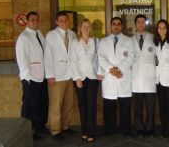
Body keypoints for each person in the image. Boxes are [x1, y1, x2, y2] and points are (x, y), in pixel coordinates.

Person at [97, 17, 135, 137]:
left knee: (125, 107)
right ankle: (109, 129)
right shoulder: (104, 41)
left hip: (123, 77)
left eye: (119, 24)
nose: (116, 26)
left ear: (122, 26)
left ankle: (126, 129)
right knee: (109, 107)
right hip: (110, 78)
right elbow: (100, 57)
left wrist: (119, 70)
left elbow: (131, 57)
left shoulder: (129, 41)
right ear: (110, 26)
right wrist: (111, 69)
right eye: (114, 24)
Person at [16, 11, 48, 140]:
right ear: (27, 21)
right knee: (29, 106)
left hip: (41, 76)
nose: (36, 22)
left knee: (41, 104)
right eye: (33, 20)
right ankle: (28, 132)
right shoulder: (23, 37)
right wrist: (27, 78)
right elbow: (22, 60)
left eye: (37, 20)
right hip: (30, 78)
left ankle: (40, 127)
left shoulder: (39, 34)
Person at [69, 18, 103, 143]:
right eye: (84, 26)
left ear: (91, 28)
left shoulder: (96, 41)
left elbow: (100, 58)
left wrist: (100, 72)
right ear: (80, 28)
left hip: (93, 77)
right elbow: (72, 60)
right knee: (82, 104)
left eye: (88, 26)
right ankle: (84, 130)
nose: (86, 28)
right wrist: (77, 78)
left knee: (92, 104)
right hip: (80, 78)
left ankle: (91, 132)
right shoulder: (74, 42)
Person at [44, 11, 76, 140]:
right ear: (57, 22)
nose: (64, 23)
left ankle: (65, 126)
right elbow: (47, 56)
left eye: (66, 20)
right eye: (61, 21)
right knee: (56, 104)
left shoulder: (73, 34)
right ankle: (55, 130)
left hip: (70, 74)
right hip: (56, 76)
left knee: (69, 103)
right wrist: (49, 75)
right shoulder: (51, 35)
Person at [131, 14, 156, 137]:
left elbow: (158, 56)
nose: (141, 24)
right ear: (135, 24)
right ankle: (140, 128)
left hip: (150, 77)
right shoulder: (129, 39)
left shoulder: (153, 37)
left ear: (145, 24)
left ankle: (150, 128)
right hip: (135, 77)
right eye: (138, 22)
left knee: (151, 106)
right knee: (137, 106)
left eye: (143, 22)